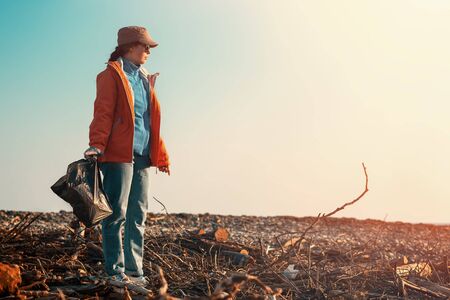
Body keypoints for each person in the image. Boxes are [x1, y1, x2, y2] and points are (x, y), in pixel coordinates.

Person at [83, 26, 170, 286]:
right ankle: (115, 273)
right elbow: (103, 112)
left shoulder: (145, 78)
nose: (148, 51)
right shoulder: (110, 76)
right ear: (130, 46)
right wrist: (96, 145)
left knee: (138, 216)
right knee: (115, 215)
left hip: (143, 156)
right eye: (145, 46)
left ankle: (134, 272)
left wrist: (161, 154)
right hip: (118, 155)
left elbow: (150, 121)